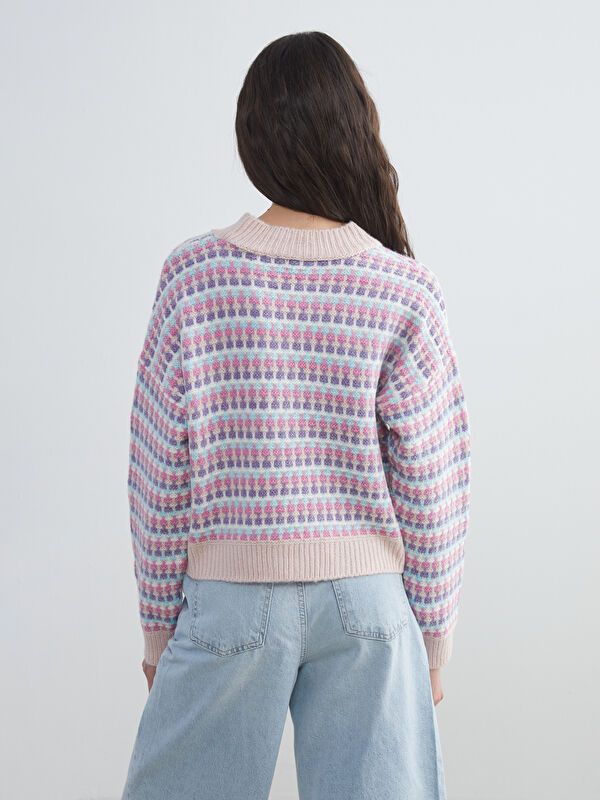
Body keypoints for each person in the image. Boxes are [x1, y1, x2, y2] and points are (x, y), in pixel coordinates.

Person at [121, 30, 471, 800]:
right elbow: (433, 481)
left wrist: (158, 628)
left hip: (230, 593)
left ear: (253, 137)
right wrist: (433, 637)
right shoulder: (404, 288)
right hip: (369, 604)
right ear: (354, 131)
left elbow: (159, 469)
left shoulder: (195, 275)